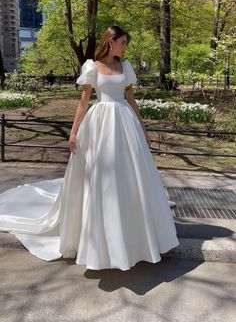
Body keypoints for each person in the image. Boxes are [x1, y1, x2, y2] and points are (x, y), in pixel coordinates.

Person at [0, 25, 179, 271]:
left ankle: (135, 238)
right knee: (101, 178)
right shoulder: (92, 67)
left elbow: (132, 100)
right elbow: (83, 102)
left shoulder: (125, 67)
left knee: (129, 177)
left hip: (125, 124)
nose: (125, 47)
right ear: (110, 41)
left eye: (126, 43)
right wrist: (73, 132)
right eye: (123, 42)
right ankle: (100, 241)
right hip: (100, 125)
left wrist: (144, 130)